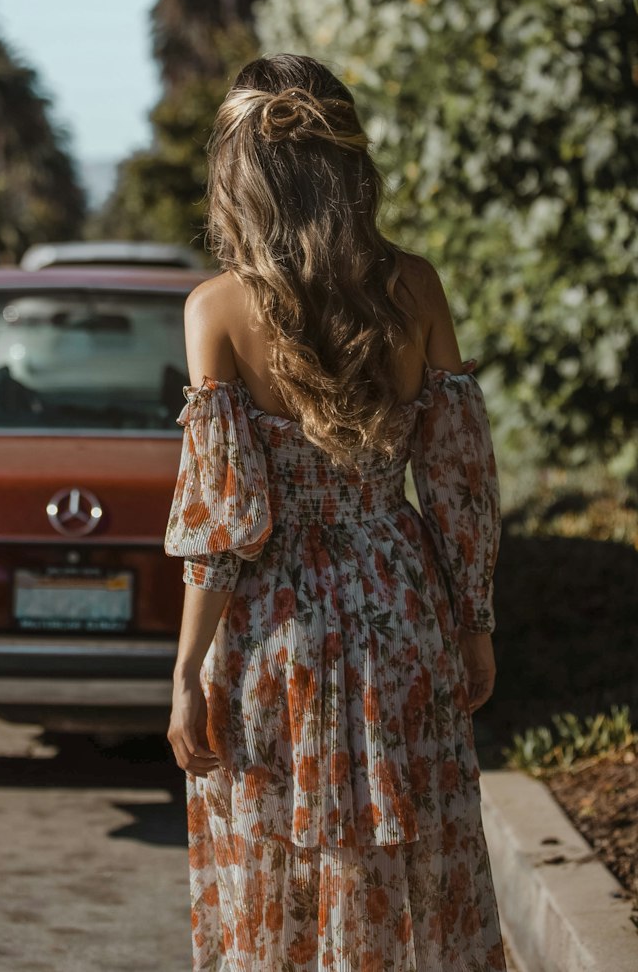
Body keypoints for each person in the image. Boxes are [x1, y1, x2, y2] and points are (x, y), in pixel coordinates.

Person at [164, 54, 506, 972]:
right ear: (350, 164)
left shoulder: (216, 311)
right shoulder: (416, 288)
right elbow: (458, 484)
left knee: (279, 853)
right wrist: (473, 622)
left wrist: (188, 669)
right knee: (408, 845)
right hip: (401, 606)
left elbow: (223, 527)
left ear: (240, 178)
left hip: (276, 631)